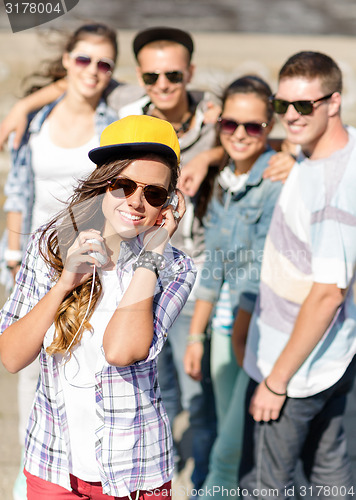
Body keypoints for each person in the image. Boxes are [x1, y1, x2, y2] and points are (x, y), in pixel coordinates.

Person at [0, 114, 196, 500]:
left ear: (168, 204)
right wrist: (65, 282)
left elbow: (122, 350)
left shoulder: (175, 268)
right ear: (101, 184)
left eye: (153, 194)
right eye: (123, 185)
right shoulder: (50, 245)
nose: (136, 203)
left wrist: (152, 255)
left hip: (136, 474)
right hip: (53, 466)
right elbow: (10, 356)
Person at [0, 23, 119, 500]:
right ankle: (32, 470)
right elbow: (18, 189)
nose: (92, 71)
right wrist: (12, 254)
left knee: (81, 370)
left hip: (91, 265)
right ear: (67, 60)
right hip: (33, 263)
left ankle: (90, 468)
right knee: (28, 370)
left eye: (104, 63)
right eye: (83, 59)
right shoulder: (38, 118)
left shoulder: (114, 119)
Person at [240, 51, 356, 498]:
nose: (291, 115)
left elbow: (329, 293)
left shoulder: (332, 191)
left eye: (304, 105)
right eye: (281, 104)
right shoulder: (327, 154)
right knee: (330, 474)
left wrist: (276, 381)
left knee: (264, 485)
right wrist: (295, 152)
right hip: (333, 355)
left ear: (334, 102)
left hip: (296, 369)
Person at [119, 26, 219, 487]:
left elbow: (263, 133)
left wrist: (211, 150)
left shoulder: (216, 120)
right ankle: (162, 471)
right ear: (140, 76)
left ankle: (202, 484)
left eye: (174, 75)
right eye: (152, 75)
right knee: (154, 386)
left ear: (190, 73)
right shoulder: (126, 122)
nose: (163, 84)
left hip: (194, 272)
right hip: (140, 272)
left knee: (200, 392)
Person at [183, 76, 284, 498]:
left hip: (257, 332)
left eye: (253, 126)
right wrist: (195, 335)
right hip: (224, 330)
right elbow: (215, 267)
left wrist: (240, 340)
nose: (240, 134)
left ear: (269, 127)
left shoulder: (278, 180)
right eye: (230, 124)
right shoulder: (222, 181)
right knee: (233, 436)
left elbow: (260, 271)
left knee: (227, 452)